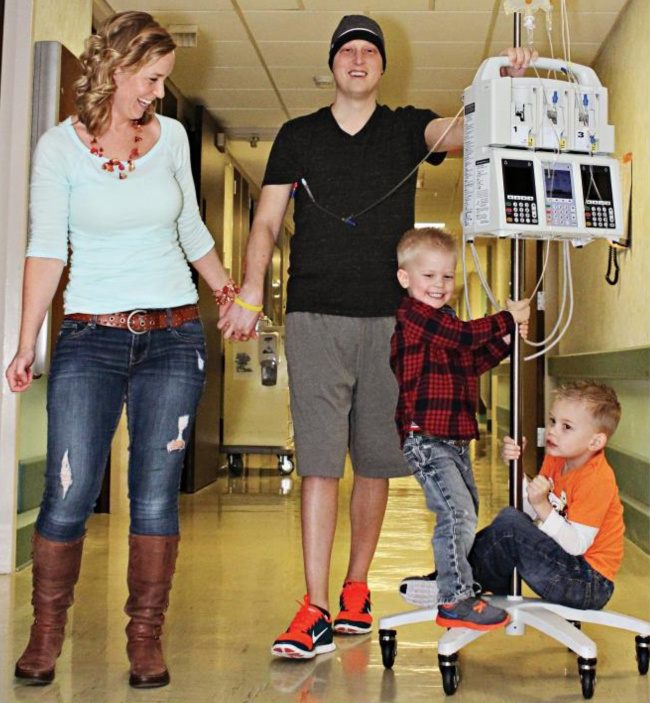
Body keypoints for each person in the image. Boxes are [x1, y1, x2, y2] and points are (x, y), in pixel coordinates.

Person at [218, 14, 536, 658]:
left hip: (396, 327)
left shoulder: (405, 127)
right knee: (317, 464)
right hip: (315, 318)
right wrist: (251, 291)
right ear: (332, 62)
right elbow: (267, 221)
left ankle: (356, 589)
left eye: (370, 51)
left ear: (382, 66)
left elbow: (464, 128)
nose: (358, 59)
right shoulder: (297, 135)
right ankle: (312, 606)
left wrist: (498, 80)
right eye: (348, 51)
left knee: (376, 464)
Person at [5, 12, 237, 688]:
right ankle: (46, 633)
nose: (159, 93)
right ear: (116, 67)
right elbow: (47, 247)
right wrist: (26, 342)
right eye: (152, 78)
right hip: (90, 337)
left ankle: (145, 638)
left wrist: (228, 293)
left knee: (156, 497)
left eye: (165, 80)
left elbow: (190, 226)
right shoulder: (59, 149)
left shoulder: (170, 140)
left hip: (174, 337)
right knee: (69, 491)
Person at [391, 227, 530, 630]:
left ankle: (453, 584)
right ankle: (454, 599)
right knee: (456, 515)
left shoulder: (444, 321)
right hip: (426, 438)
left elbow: (471, 360)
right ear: (405, 279)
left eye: (447, 277)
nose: (439, 285)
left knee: (466, 513)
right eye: (428, 276)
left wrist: (506, 340)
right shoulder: (414, 317)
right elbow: (464, 336)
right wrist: (506, 317)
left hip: (453, 440)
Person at [400, 381, 624, 613]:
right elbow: (526, 511)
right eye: (552, 421)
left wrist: (542, 504)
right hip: (564, 568)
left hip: (587, 584)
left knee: (510, 527)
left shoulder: (597, 480)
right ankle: (453, 580)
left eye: (567, 427)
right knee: (509, 523)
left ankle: (453, 584)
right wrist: (515, 469)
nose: (553, 431)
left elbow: (576, 545)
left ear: (595, 442)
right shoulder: (557, 459)